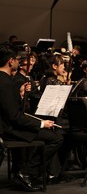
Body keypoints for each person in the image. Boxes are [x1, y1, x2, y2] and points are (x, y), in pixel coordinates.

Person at [0, 43, 64, 191]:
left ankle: (26, 171)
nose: (19, 62)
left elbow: (9, 107)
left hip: (7, 124)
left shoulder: (5, 80)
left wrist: (20, 94)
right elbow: (15, 117)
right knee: (56, 137)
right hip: (9, 129)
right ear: (10, 61)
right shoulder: (6, 82)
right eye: (17, 59)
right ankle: (27, 172)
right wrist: (42, 124)